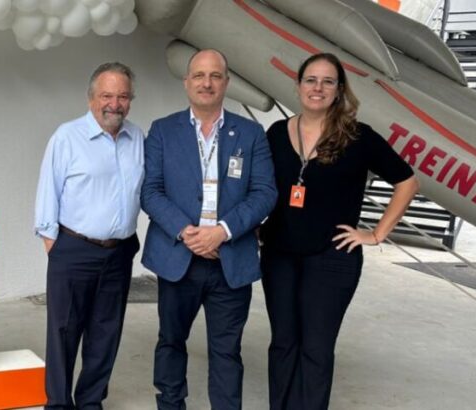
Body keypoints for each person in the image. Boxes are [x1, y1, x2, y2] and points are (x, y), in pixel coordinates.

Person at [259, 52, 418, 410]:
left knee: (315, 349)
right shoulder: (276, 133)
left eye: (327, 81)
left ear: (339, 90)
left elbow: (407, 182)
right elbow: (261, 187)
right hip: (279, 254)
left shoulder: (358, 137)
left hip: (332, 258)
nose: (318, 88)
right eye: (311, 80)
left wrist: (375, 234)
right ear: (298, 85)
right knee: (283, 344)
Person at [141, 49, 276, 410]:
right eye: (199, 75)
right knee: (171, 341)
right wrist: (186, 232)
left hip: (229, 261)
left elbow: (265, 193)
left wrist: (223, 231)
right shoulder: (162, 130)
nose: (207, 83)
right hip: (178, 258)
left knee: (227, 351)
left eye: (215, 75)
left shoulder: (251, 134)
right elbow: (150, 191)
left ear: (226, 83)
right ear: (186, 82)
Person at [33, 62, 145, 409]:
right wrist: (54, 244)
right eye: (107, 95)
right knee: (63, 332)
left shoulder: (137, 138)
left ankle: (91, 402)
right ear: (91, 98)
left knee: (106, 333)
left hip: (119, 253)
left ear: (130, 100)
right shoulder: (67, 137)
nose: (115, 104)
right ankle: (58, 404)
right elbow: (47, 192)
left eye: (123, 96)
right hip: (73, 249)